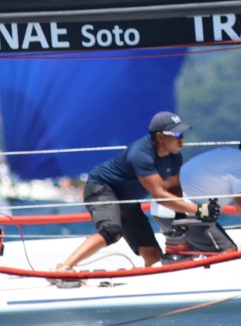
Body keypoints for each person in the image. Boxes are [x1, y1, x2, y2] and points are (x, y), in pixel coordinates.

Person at [55, 111, 201, 275]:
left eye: (182, 133)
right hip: (101, 188)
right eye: (176, 133)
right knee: (111, 231)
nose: (181, 138)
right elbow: (159, 196)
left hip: (128, 200)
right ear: (160, 137)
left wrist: (181, 216)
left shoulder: (175, 157)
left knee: (154, 257)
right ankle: (64, 268)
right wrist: (198, 210)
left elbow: (173, 188)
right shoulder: (141, 154)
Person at [151, 142, 241, 231]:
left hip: (162, 211)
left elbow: (218, 181)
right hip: (182, 215)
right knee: (229, 250)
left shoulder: (231, 156)